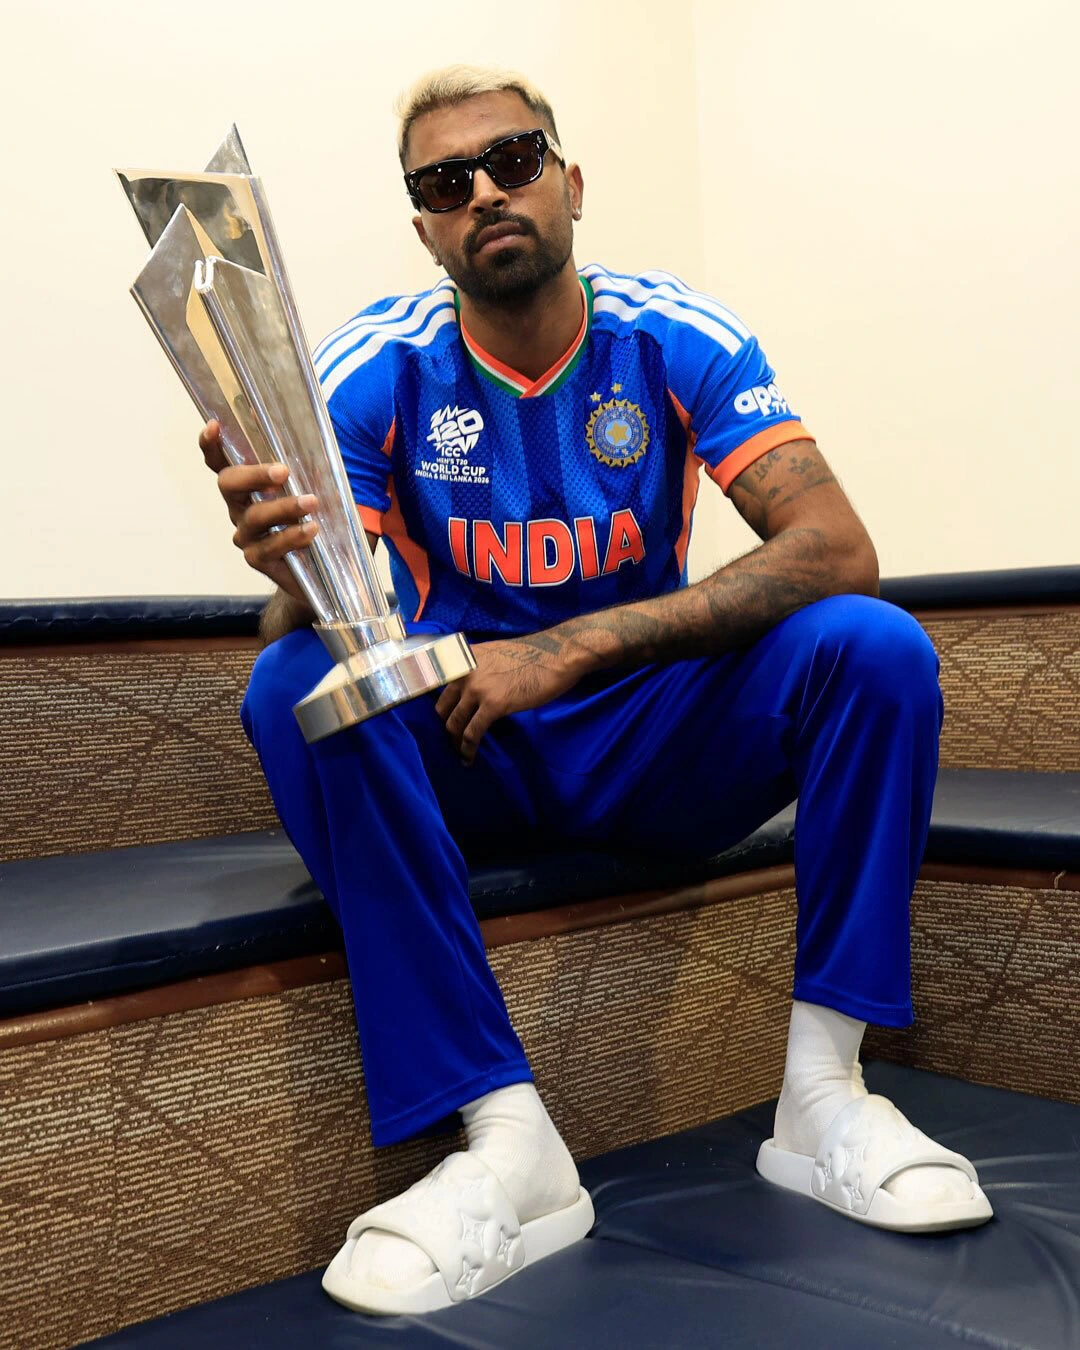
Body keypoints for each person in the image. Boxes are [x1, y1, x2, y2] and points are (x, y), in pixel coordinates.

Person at [199, 64, 992, 1316]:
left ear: (570, 182)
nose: (486, 194)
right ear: (423, 227)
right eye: (446, 182)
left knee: (877, 646)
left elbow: (836, 547)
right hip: (473, 754)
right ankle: (509, 1143)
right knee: (291, 678)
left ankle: (825, 1097)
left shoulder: (675, 334)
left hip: (651, 740)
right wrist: (286, 566)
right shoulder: (368, 369)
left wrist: (569, 651)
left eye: (515, 162)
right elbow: (323, 620)